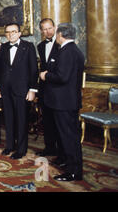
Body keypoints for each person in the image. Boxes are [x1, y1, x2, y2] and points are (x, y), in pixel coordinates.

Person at [40, 23, 84, 182]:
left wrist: (46, 75)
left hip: (63, 102)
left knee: (68, 137)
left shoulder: (66, 51)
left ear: (60, 35)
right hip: (69, 101)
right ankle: (71, 166)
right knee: (71, 136)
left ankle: (73, 172)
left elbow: (62, 77)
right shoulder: (76, 51)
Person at [0, 23, 38, 159]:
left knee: (21, 119)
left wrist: (32, 89)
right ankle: (9, 146)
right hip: (5, 89)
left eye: (13, 32)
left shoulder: (28, 47)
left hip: (22, 89)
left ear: (19, 33)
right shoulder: (3, 47)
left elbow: (33, 69)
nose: (10, 34)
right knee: (8, 119)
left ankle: (21, 149)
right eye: (7, 32)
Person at [36, 18, 61, 157]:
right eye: (44, 29)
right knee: (47, 121)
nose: (47, 31)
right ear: (41, 31)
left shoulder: (61, 45)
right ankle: (49, 148)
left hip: (58, 89)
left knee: (58, 123)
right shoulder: (40, 46)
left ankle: (61, 152)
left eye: (49, 28)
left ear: (55, 27)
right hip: (45, 90)